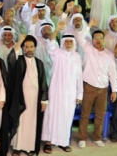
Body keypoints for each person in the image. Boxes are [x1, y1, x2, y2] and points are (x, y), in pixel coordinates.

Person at [41, 22, 83, 153]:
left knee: (66, 117)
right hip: (56, 91)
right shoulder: (57, 53)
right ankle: (48, 141)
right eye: (66, 41)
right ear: (63, 42)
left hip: (70, 94)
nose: (69, 43)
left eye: (71, 41)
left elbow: (79, 77)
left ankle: (63, 141)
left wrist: (79, 94)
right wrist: (58, 29)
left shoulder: (77, 57)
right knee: (52, 115)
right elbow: (51, 43)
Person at [74, 22, 117, 148]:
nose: (98, 40)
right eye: (96, 38)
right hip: (89, 86)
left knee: (100, 114)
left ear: (104, 40)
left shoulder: (109, 55)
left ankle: (97, 137)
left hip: (103, 89)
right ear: (92, 40)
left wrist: (114, 90)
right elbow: (79, 37)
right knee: (85, 113)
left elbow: (113, 73)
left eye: (100, 38)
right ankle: (82, 138)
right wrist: (89, 25)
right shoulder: (88, 49)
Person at [7, 34, 49, 156]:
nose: (29, 49)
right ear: (23, 48)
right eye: (26, 47)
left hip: (34, 98)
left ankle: (29, 147)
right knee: (20, 121)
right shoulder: (19, 60)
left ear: (35, 48)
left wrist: (44, 100)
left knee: (32, 123)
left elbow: (43, 82)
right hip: (20, 97)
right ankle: (18, 147)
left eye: (31, 47)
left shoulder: (39, 63)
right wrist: (20, 41)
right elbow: (10, 57)